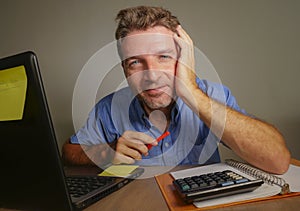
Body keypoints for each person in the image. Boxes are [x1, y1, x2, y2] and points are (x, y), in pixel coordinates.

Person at [62, 6, 290, 174]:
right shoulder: (109, 108)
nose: (151, 75)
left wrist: (191, 93)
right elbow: (69, 152)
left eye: (164, 57)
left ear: (182, 58)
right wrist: (107, 153)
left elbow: (277, 160)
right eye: (135, 62)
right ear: (124, 69)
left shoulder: (212, 95)